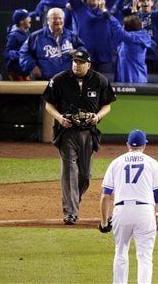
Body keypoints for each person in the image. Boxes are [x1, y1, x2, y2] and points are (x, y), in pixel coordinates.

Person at [42, 50, 116, 225]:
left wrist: (97, 117)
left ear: (88, 64)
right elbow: (48, 105)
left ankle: (74, 197)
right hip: (66, 133)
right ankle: (70, 212)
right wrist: (60, 118)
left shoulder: (100, 80)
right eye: (75, 61)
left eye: (81, 62)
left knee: (85, 175)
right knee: (69, 172)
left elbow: (107, 106)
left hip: (88, 133)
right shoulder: (59, 80)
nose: (77, 64)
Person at [99, 129, 158, 284]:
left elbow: (105, 196)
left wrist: (104, 222)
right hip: (144, 212)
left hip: (121, 211)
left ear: (127, 144)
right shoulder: (151, 162)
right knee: (144, 256)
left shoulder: (116, 162)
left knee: (120, 252)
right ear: (144, 146)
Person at [19, 7, 85, 80]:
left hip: (68, 80)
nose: (58, 21)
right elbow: (23, 53)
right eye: (54, 18)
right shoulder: (36, 37)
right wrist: (32, 67)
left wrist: (78, 53)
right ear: (48, 21)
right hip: (45, 80)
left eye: (60, 18)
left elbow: (83, 50)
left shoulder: (71, 36)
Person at [4, 9, 32, 81]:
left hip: (25, 70)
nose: (30, 19)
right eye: (28, 17)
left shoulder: (28, 33)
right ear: (21, 21)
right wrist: (21, 55)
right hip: (16, 71)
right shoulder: (14, 35)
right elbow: (7, 52)